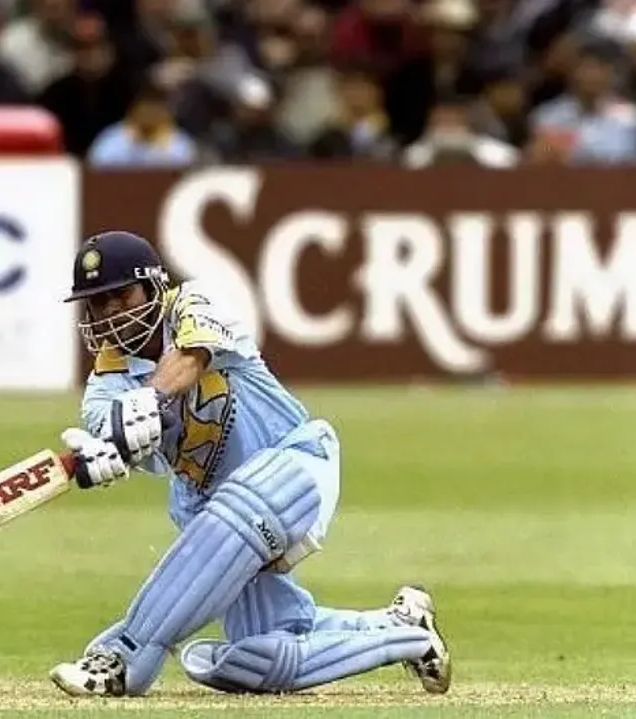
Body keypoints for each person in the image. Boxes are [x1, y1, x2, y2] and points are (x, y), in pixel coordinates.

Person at [48, 230, 452, 697]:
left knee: (242, 503)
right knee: (264, 653)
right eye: (99, 303)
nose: (112, 312)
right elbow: (117, 435)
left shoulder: (193, 304)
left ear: (154, 287)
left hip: (293, 464)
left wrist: (147, 401)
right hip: (212, 515)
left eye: (122, 295)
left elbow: (192, 355)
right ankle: (403, 631)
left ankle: (123, 658)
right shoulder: (104, 387)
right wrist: (106, 455)